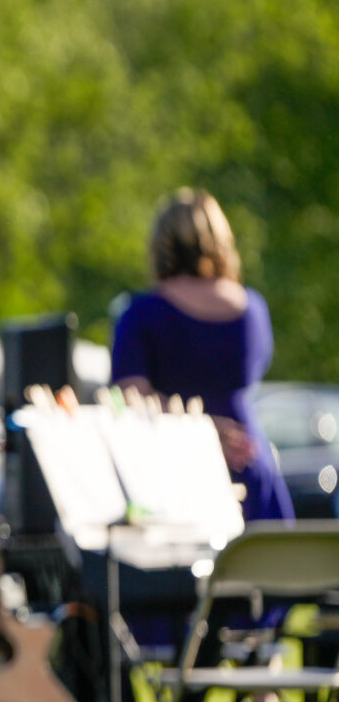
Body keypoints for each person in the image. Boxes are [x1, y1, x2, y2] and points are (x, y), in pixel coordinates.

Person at [111, 189, 292, 521]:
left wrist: (202, 431)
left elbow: (130, 400)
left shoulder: (140, 314)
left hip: (179, 478)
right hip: (249, 461)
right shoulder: (252, 308)